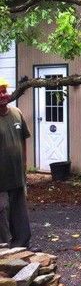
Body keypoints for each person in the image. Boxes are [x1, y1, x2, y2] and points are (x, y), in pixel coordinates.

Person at [0, 78, 31, 248]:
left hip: (17, 176)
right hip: (1, 180)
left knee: (20, 213)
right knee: (2, 212)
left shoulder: (16, 113)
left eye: (4, 91)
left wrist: (25, 165)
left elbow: (23, 139)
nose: (3, 95)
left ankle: (22, 246)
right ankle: (4, 252)